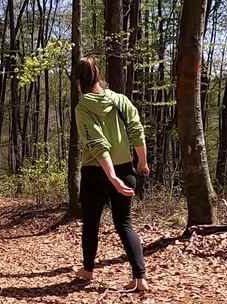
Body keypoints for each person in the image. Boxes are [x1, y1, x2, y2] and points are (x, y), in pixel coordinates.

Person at [73, 56, 150, 292]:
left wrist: (111, 177)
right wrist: (142, 162)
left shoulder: (83, 107)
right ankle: (140, 278)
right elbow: (137, 131)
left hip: (96, 174)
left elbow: (98, 144)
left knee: (91, 224)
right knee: (124, 223)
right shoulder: (120, 100)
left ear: (78, 80)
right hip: (126, 168)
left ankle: (87, 271)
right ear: (99, 75)